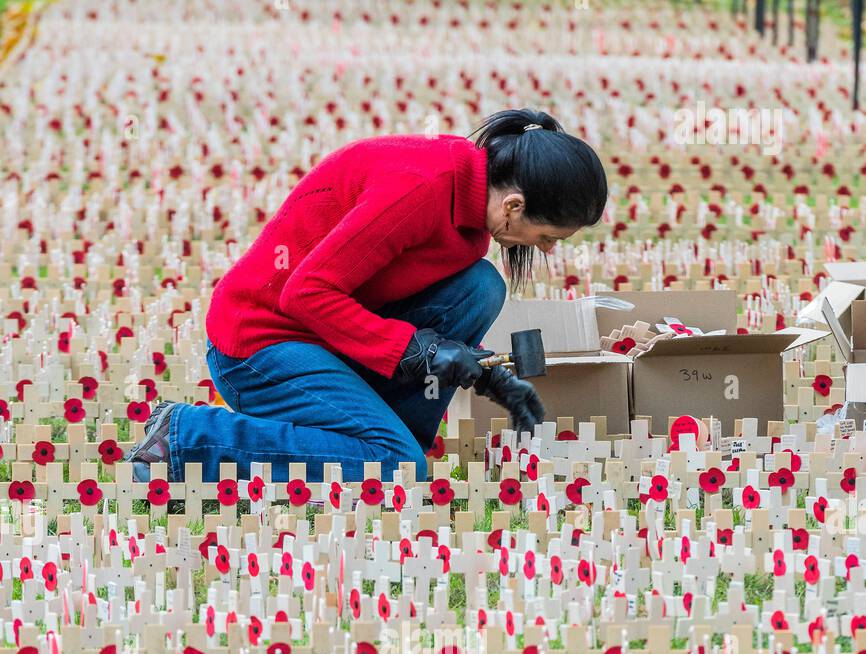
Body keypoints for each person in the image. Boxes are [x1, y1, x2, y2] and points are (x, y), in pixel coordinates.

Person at [127, 108, 607, 484]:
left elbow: (403, 303)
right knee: (396, 468)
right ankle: (187, 436)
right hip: (260, 344)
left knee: (481, 287)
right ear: (514, 205)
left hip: (324, 337)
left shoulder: (472, 204)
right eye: (549, 236)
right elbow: (306, 294)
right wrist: (421, 351)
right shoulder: (420, 190)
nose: (547, 249)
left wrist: (481, 371)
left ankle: (382, 437)